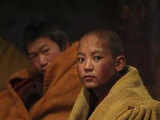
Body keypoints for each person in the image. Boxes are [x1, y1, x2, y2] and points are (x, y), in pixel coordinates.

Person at [69, 29, 160, 120]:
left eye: (97, 58)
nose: (87, 67)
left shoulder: (137, 110)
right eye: (81, 59)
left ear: (118, 64)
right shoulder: (88, 101)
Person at [0, 22, 81, 120]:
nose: (41, 61)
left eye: (46, 51)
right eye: (34, 56)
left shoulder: (78, 68)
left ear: (64, 46)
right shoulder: (29, 82)